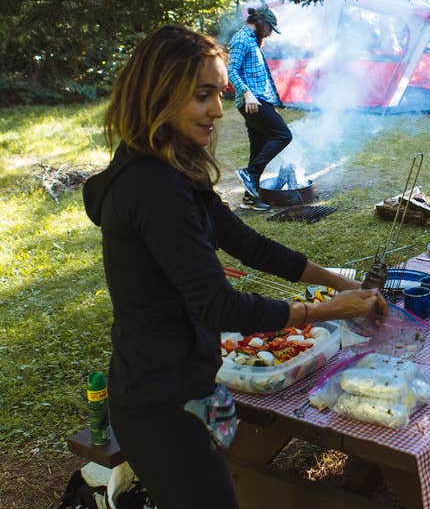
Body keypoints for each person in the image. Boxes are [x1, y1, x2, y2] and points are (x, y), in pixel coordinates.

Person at [82, 25, 387, 509]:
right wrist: (331, 311)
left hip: (188, 382)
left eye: (219, 94)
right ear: (160, 93)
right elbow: (219, 305)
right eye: (202, 96)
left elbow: (247, 244)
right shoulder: (153, 187)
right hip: (161, 402)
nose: (218, 110)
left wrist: (336, 282)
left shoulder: (170, 165)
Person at [227, 6, 291, 210]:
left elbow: (261, 78)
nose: (270, 33)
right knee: (283, 135)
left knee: (258, 147)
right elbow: (232, 70)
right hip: (251, 102)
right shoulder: (241, 39)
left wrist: (271, 104)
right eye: (270, 28)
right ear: (261, 22)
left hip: (260, 101)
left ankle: (250, 198)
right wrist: (246, 93)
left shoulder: (253, 40)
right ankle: (250, 174)